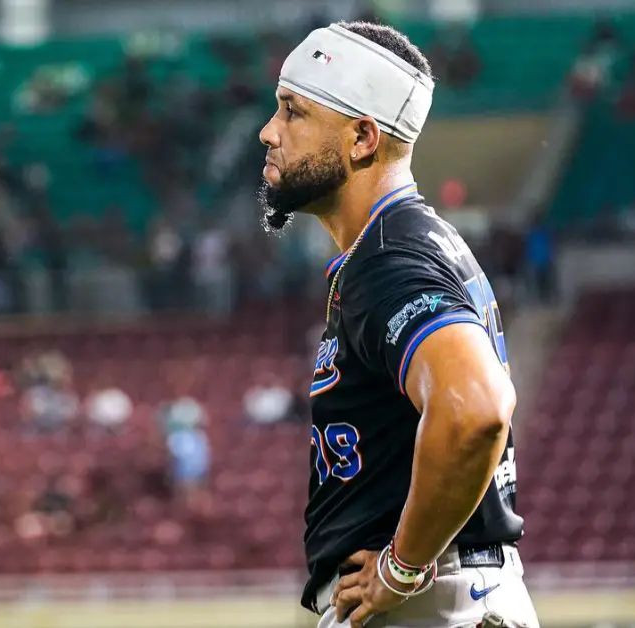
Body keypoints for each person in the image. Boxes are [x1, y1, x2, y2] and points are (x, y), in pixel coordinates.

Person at [256, 22, 535, 627]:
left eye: (292, 111)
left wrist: (401, 568)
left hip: (430, 603)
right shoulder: (398, 244)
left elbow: (476, 409)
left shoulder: (390, 255)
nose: (268, 131)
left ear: (361, 137)